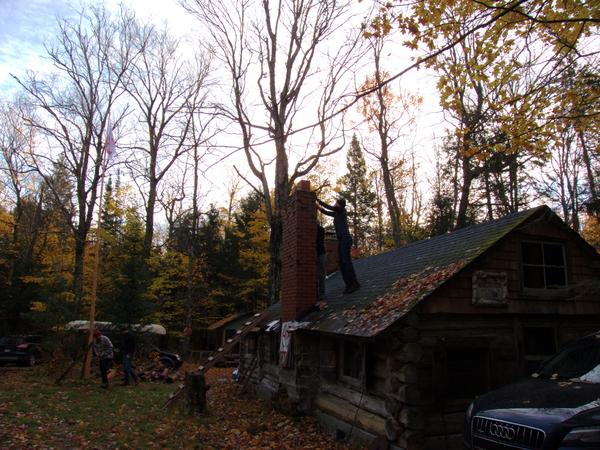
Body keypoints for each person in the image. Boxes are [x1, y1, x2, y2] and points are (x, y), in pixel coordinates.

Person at [317, 197, 360, 294]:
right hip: (341, 240)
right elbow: (326, 211)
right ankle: (349, 285)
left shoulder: (341, 210)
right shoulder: (337, 213)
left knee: (346, 261)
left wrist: (319, 200)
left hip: (345, 238)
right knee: (341, 262)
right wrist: (317, 207)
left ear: (339, 204)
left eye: (336, 203)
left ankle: (354, 283)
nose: (334, 204)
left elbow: (330, 208)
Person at [317, 223, 327, 299]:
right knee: (320, 274)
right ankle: (320, 293)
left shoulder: (320, 230)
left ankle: (321, 293)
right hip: (319, 253)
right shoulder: (320, 229)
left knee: (321, 274)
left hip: (320, 253)